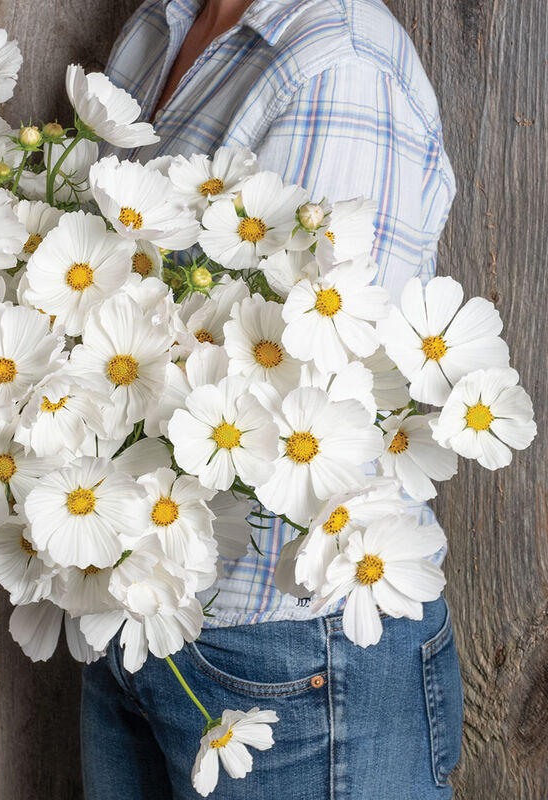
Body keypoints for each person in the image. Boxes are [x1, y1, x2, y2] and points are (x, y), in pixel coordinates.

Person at [82, 1, 464, 798]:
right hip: (133, 607)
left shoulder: (336, 65)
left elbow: (315, 393)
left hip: (291, 647)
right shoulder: (160, 24)